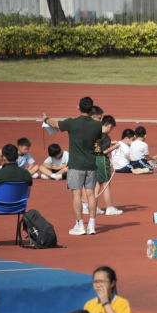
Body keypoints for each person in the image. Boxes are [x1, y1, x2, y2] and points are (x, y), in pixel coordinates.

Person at [43, 97, 103, 236]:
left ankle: (80, 225)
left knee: (76, 194)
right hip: (90, 163)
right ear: (92, 109)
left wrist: (46, 119)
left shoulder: (71, 123)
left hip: (76, 164)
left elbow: (54, 124)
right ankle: (92, 225)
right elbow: (96, 141)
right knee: (91, 194)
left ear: (78, 107)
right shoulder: (97, 125)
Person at [0, 144, 33, 244]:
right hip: (19, 207)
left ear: (4, 157)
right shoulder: (26, 174)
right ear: (16, 156)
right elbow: (27, 195)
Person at [92, 115, 123, 217]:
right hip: (101, 160)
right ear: (109, 126)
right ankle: (109, 208)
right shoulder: (105, 136)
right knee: (106, 184)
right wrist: (115, 146)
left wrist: (111, 143)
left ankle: (94, 207)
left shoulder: (94, 133)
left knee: (97, 184)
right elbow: (105, 150)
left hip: (93, 159)